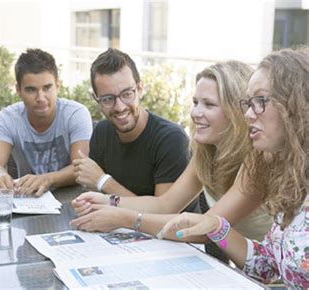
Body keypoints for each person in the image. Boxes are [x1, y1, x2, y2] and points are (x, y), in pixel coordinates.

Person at [71, 60, 272, 243]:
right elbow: (166, 204)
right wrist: (109, 201)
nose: (195, 113)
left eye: (208, 104)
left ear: (237, 110)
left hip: (278, 276)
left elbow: (206, 230)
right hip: (248, 266)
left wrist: (125, 218)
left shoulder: (258, 159)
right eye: (195, 103)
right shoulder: (206, 152)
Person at [158, 48, 308, 288]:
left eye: (260, 101)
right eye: (248, 103)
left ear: (297, 106)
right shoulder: (290, 181)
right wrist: (219, 230)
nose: (248, 114)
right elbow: (268, 265)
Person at [72, 48, 200, 215]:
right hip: (118, 233)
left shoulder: (171, 139)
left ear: (140, 88)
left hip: (174, 239)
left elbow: (162, 216)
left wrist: (103, 181)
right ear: (96, 99)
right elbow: (98, 200)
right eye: (108, 99)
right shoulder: (102, 132)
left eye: (127, 94)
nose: (120, 107)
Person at [0, 48, 93, 197]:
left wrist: (48, 179)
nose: (41, 97)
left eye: (47, 88)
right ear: (18, 90)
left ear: (57, 86)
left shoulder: (76, 114)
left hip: (72, 196)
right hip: (29, 199)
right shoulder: (6, 119)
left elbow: (80, 168)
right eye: (31, 90)